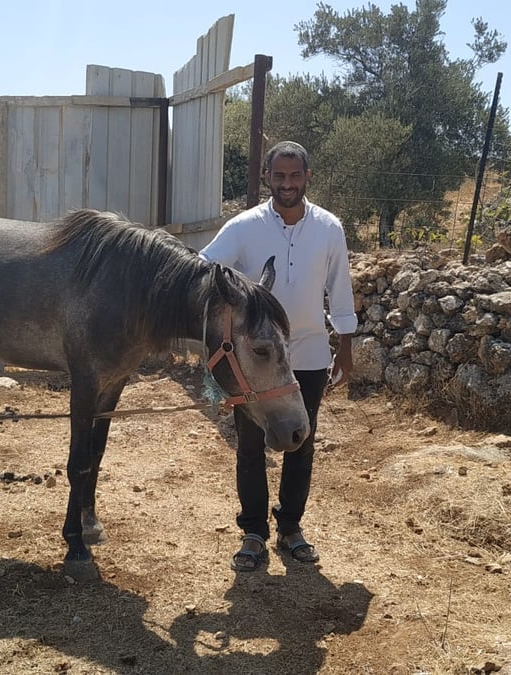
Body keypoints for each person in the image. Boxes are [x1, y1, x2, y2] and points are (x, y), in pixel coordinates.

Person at [200, 141, 357, 571]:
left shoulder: (329, 228)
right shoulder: (243, 226)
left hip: (308, 355)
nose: (287, 184)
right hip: (255, 362)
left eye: (295, 176)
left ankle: (290, 528)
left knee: (300, 444)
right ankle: (253, 533)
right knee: (250, 447)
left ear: (307, 177)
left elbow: (339, 290)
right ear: (267, 177)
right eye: (279, 176)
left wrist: (343, 345)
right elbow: (202, 269)